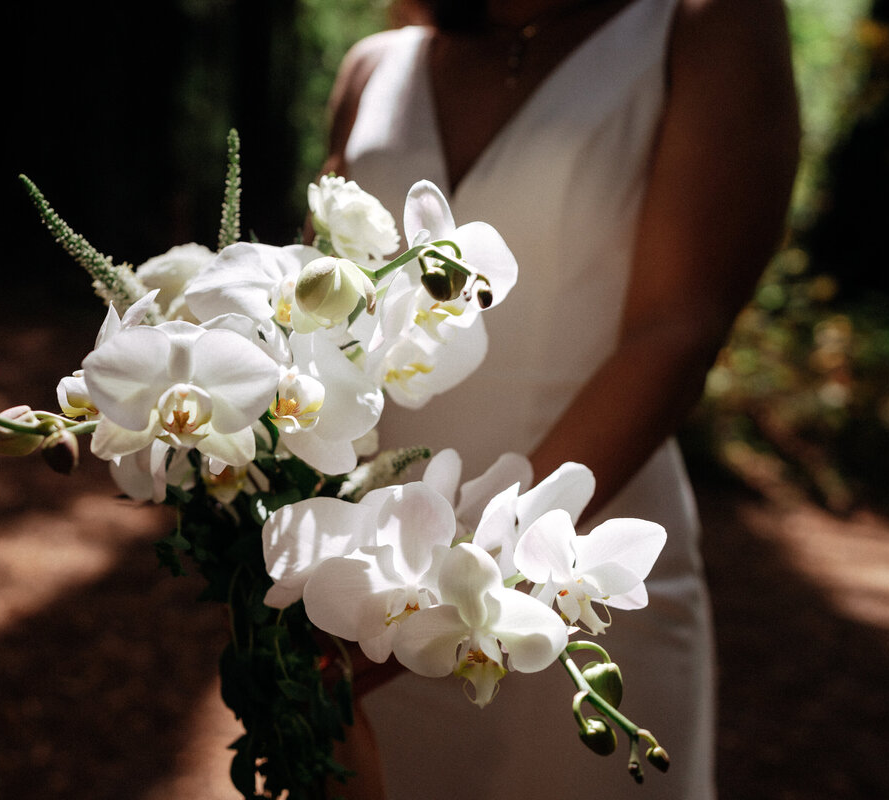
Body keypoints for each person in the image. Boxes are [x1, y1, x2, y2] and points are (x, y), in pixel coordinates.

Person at [319, 0, 800, 797]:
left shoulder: (705, 25)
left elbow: (678, 328)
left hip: (577, 580)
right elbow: (321, 326)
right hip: (370, 579)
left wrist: (467, 573)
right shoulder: (375, 67)